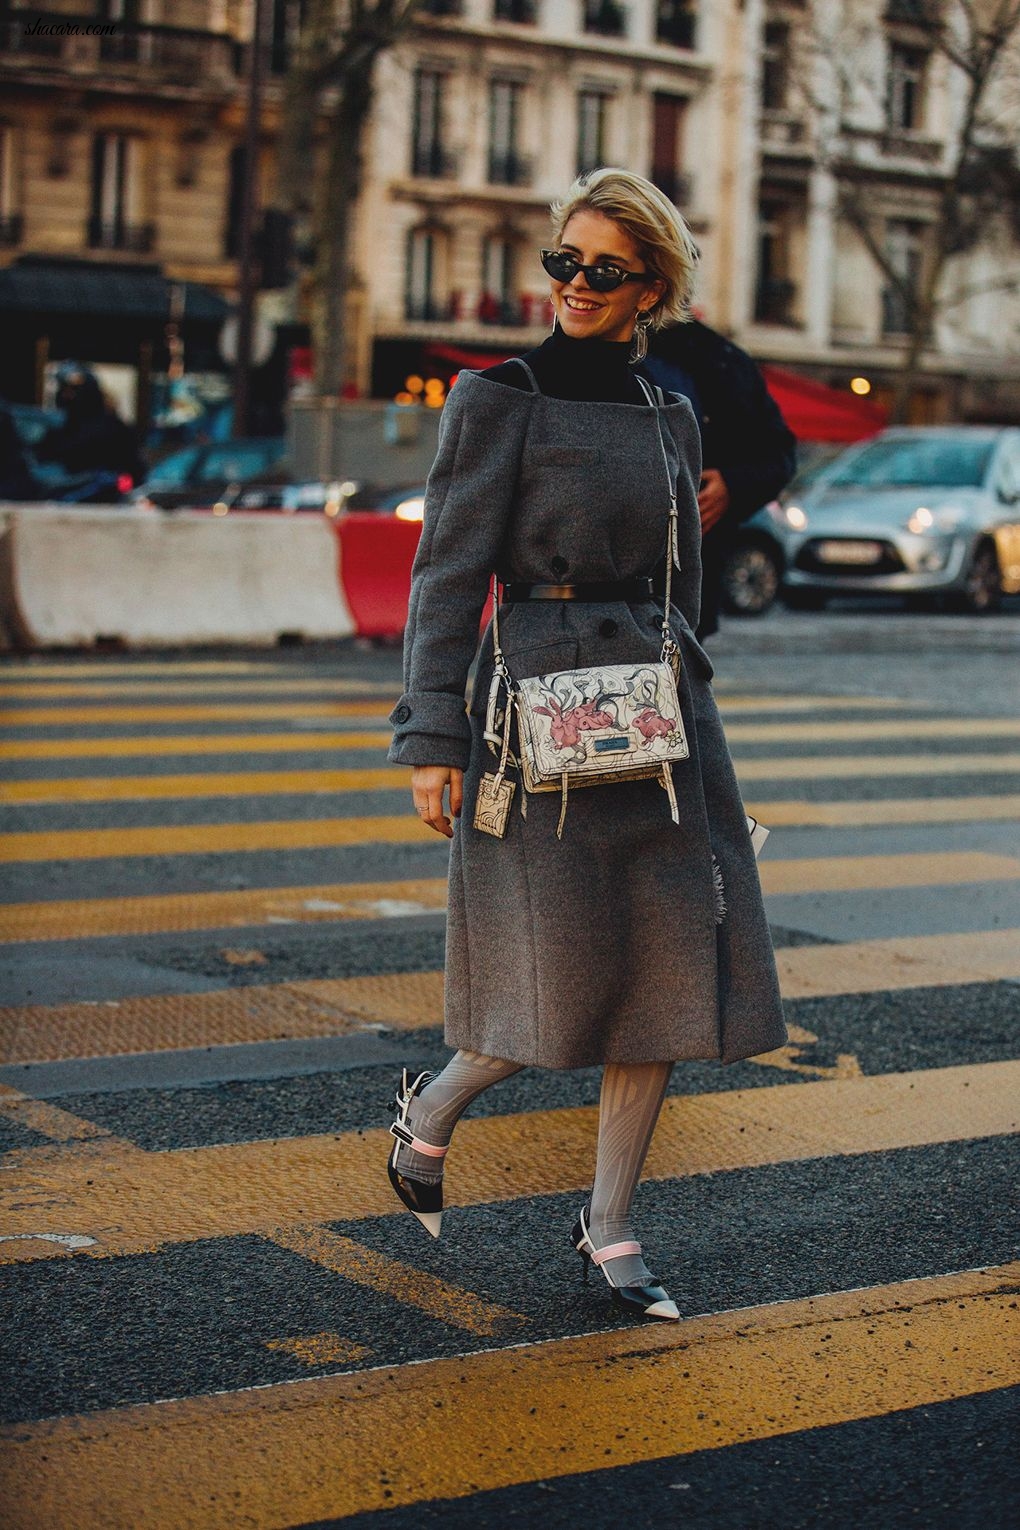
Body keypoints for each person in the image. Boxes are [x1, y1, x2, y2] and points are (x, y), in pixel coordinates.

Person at [387, 168, 786, 1321]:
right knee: (556, 968)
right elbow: (446, 576)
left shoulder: (671, 411)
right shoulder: (496, 398)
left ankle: (609, 1226)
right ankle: (432, 1110)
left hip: (661, 718)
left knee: (664, 965)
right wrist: (434, 735)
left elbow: (686, 586)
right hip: (534, 707)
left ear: (649, 285)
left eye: (601, 269)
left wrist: (693, 712)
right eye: (564, 262)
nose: (574, 284)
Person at [643, 319, 798, 640]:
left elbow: (778, 454)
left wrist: (732, 484)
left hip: (683, 593)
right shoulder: (583, 350)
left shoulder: (721, 359)